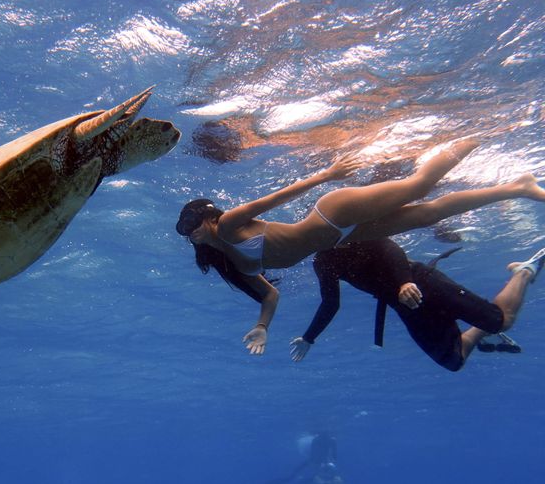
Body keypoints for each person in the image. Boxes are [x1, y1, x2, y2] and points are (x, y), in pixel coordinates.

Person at [175, 138, 545, 354]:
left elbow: (271, 201)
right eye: (185, 231)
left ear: (209, 217)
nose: (189, 232)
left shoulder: (227, 225)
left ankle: (476, 134)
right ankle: (517, 187)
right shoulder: (236, 266)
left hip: (333, 213)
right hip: (342, 237)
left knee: (419, 186)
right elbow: (270, 297)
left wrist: (326, 175)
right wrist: (262, 327)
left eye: (191, 224)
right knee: (425, 215)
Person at [289, 238, 545, 371]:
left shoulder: (357, 233)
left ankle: (522, 271)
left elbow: (388, 247)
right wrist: (309, 338)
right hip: (403, 305)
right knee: (453, 361)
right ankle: (481, 332)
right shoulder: (322, 261)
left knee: (500, 320)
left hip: (421, 282)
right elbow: (330, 303)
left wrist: (404, 282)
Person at [256, 432, 345, 484]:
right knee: (291, 478)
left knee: (290, 478)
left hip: (315, 463)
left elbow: (331, 456)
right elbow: (333, 456)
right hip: (315, 464)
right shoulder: (329, 441)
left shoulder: (327, 441)